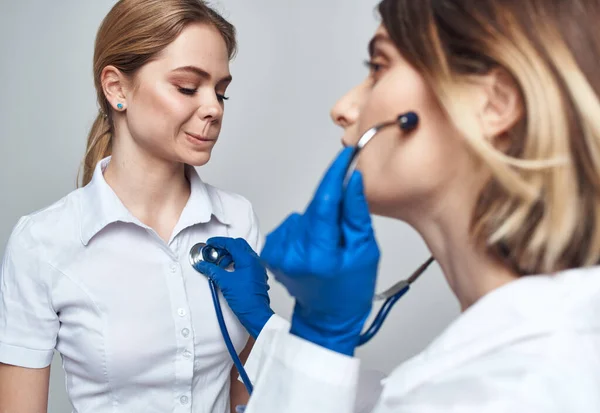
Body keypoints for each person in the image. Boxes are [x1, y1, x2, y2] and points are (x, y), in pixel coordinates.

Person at [196, 0, 600, 411]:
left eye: (379, 67)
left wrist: (318, 333)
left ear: (494, 104)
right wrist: (310, 335)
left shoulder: (520, 390)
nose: (344, 109)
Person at [0, 1, 264, 412]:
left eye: (221, 90)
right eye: (188, 87)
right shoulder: (42, 243)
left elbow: (247, 396)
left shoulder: (237, 221)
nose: (213, 107)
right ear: (117, 89)